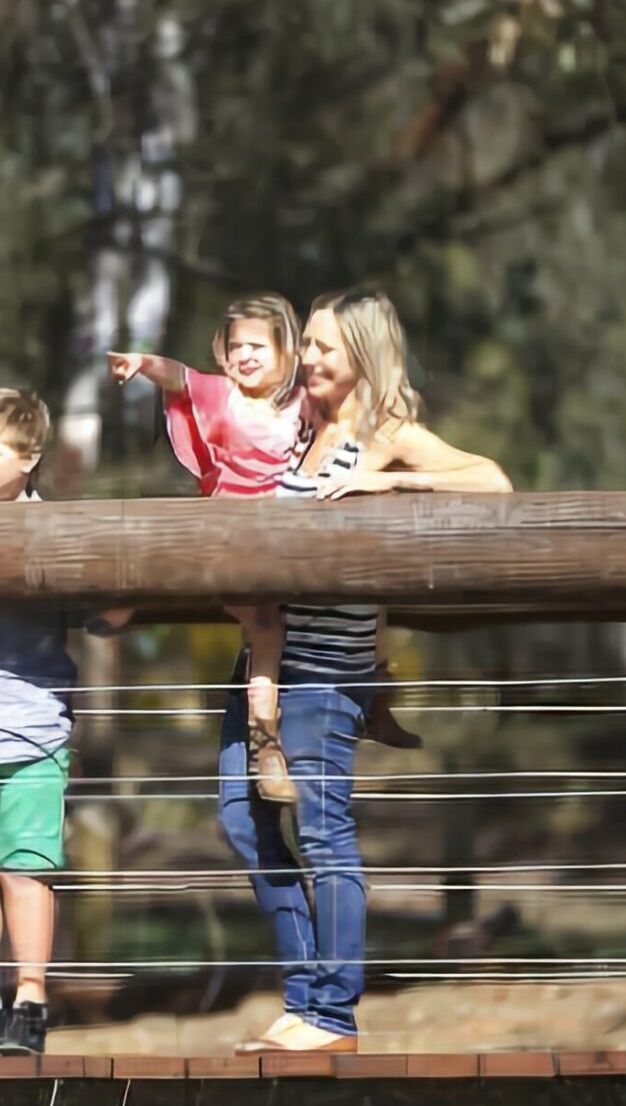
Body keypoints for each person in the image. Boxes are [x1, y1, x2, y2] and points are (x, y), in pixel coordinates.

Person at [218, 286, 511, 1054]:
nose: (308, 360)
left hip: (325, 672)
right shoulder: (300, 431)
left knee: (323, 836)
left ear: (365, 354)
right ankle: (303, 994)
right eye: (306, 346)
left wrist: (392, 481)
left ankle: (333, 1014)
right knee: (242, 824)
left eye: (324, 347)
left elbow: (493, 481)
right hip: (264, 663)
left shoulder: (387, 432)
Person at [0, 385, 128, 1059]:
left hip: (29, 728)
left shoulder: (58, 531)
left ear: (29, 457)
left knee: (25, 868)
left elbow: (108, 610)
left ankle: (30, 1001)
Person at [108, 293, 305, 801]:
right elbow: (180, 377)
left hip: (281, 541)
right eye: (236, 345)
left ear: (287, 350)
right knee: (165, 542)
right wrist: (142, 363)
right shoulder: (223, 395)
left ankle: (267, 743)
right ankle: (122, 600)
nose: (246, 355)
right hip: (224, 531)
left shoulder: (303, 405)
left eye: (258, 345)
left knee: (267, 632)